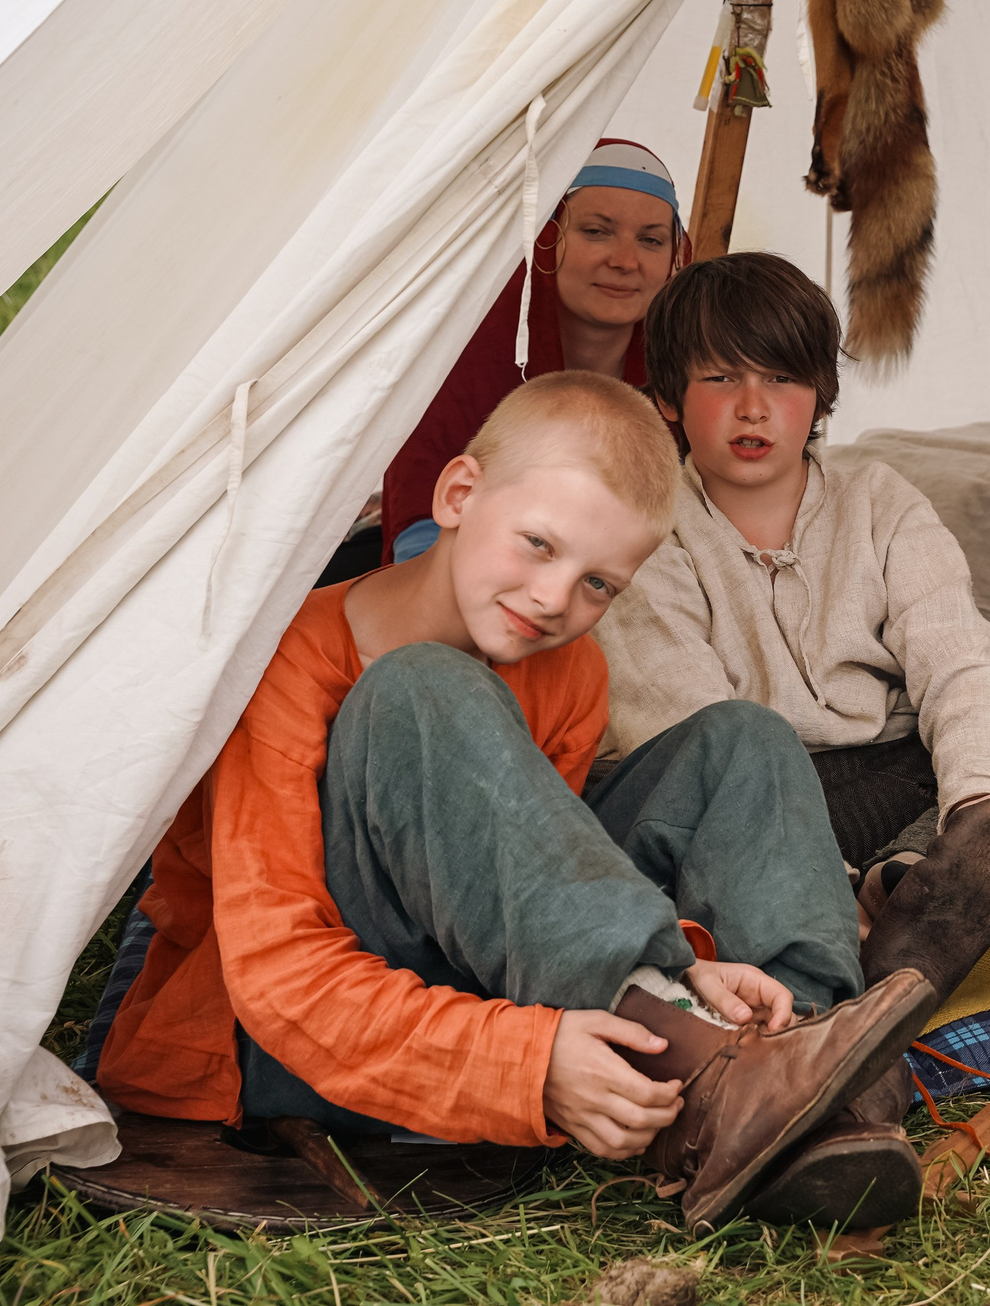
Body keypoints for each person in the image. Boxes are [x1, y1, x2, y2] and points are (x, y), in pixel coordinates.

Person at [95, 372, 934, 1232]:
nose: (554, 598)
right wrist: (531, 1062)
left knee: (745, 740)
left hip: (475, 968)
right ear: (458, 495)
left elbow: (530, 890)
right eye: (538, 543)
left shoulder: (569, 669)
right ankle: (704, 1070)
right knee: (418, 686)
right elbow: (279, 975)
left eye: (599, 583)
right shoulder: (281, 661)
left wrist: (688, 966)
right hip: (285, 1035)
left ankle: (806, 1065)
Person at [597, 252, 990, 1017]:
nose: (753, 407)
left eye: (781, 378)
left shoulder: (878, 499)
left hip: (914, 764)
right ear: (667, 396)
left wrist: (981, 799)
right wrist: (798, 871)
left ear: (821, 391)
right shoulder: (649, 529)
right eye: (721, 378)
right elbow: (694, 746)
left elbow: (959, 656)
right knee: (729, 799)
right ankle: (906, 893)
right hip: (784, 804)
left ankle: (924, 868)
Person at [379, 138, 687, 564]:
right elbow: (421, 543)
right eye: (596, 231)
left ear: (675, 257)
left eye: (651, 240)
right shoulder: (458, 362)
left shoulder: (691, 375)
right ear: (545, 236)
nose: (625, 261)